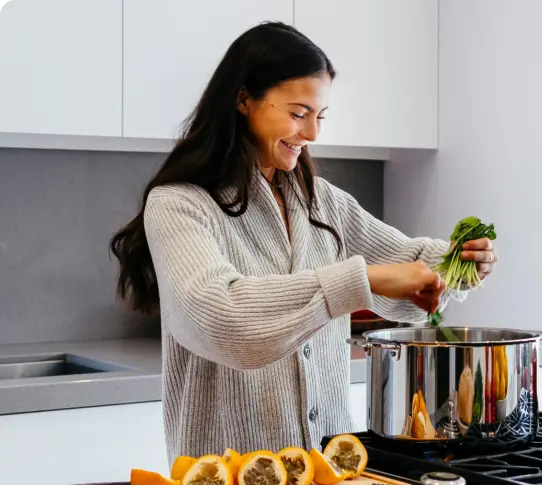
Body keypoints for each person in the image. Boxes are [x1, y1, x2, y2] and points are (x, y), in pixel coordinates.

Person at [110, 21, 497, 461]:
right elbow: (221, 318)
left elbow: (406, 264)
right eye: (298, 113)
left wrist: (458, 263)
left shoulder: (322, 201)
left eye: (320, 116)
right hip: (226, 483)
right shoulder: (180, 205)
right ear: (242, 100)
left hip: (331, 473)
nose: (312, 133)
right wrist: (360, 280)